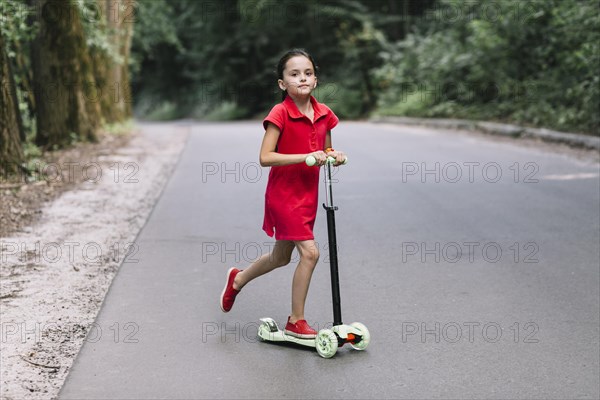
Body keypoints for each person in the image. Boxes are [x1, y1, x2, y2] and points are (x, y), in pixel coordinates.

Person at [219, 48, 346, 339]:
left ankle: (237, 280)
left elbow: (324, 150)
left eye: (308, 73)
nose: (302, 78)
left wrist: (333, 155)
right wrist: (305, 156)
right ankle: (295, 321)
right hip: (284, 194)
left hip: (308, 195)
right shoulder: (280, 113)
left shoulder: (325, 114)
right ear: (282, 84)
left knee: (280, 257)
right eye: (294, 74)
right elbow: (265, 157)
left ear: (315, 79)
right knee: (310, 253)